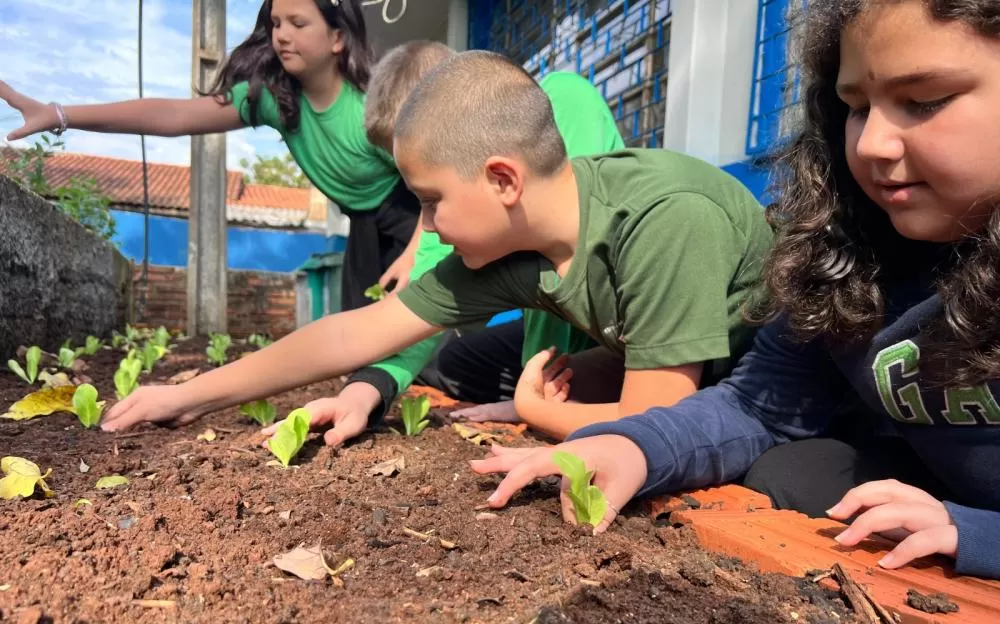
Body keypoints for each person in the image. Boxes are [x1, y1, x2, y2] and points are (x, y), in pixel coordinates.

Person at [472, 0, 1000, 581]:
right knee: (794, 474)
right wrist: (632, 446)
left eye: (925, 101)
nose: (873, 143)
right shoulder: (851, 258)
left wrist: (975, 533)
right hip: (938, 484)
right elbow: (758, 405)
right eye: (856, 107)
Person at [100, 51, 770, 455]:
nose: (426, 227)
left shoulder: (661, 220)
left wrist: (539, 413)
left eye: (430, 200)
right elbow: (357, 332)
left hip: (767, 384)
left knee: (779, 473)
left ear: (503, 180)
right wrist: (191, 395)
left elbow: (656, 420)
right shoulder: (516, 245)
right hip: (672, 362)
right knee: (494, 366)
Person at [269, 39, 621, 446]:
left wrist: (536, 405)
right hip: (554, 333)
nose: (428, 224)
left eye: (430, 196)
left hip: (612, 336)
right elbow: (416, 308)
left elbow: (566, 271)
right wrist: (367, 386)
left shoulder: (566, 106)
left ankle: (553, 391)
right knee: (455, 362)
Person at [0, 0, 418, 311]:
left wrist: (417, 250)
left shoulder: (370, 106)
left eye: (297, 22)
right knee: (361, 335)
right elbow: (175, 114)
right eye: (275, 23)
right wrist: (59, 113)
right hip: (363, 222)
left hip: (418, 211)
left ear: (337, 38)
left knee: (428, 320)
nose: (281, 35)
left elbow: (436, 184)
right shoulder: (273, 100)